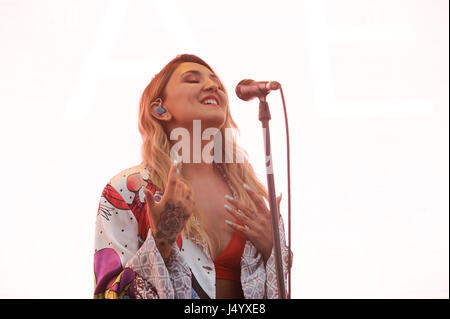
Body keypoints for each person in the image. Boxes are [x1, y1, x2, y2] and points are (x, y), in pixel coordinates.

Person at [93, 54, 292, 299]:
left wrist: (273, 250)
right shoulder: (127, 191)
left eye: (217, 82)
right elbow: (107, 295)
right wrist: (162, 240)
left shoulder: (251, 198)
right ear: (160, 109)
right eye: (192, 80)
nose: (213, 86)